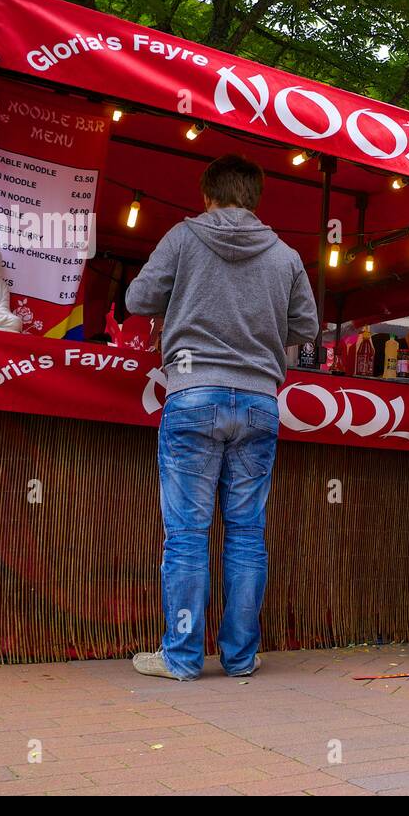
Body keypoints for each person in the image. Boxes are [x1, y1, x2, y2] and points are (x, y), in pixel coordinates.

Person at [126, 154, 319, 680]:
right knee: (246, 532)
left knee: (187, 534)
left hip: (193, 394)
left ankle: (183, 658)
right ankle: (239, 657)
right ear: (255, 197)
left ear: (206, 195)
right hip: (259, 401)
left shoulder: (183, 237)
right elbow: (306, 326)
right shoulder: (285, 255)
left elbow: (138, 297)